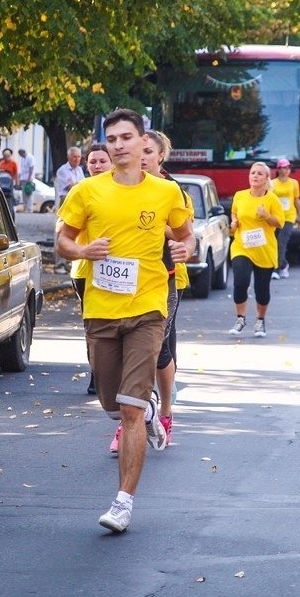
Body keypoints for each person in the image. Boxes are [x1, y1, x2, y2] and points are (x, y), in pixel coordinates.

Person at [56, 108, 193, 533]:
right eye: (111, 138)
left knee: (130, 408)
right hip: (100, 309)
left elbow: (186, 233)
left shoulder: (166, 192)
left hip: (148, 307)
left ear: (141, 142)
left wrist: (185, 248)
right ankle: (149, 411)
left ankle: (123, 501)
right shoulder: (87, 192)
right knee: (112, 403)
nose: (118, 145)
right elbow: (62, 240)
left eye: (126, 138)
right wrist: (83, 251)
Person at [108, 129, 187, 454]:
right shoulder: (117, 188)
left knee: (156, 353)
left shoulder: (171, 191)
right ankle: (136, 413)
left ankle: (160, 412)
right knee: (123, 355)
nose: (142, 157)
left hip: (163, 280)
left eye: (149, 152)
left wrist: (156, 223)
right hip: (121, 284)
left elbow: (184, 234)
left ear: (159, 157)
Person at [69, 142, 113, 395]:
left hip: (120, 269)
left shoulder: (124, 190)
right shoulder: (82, 191)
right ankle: (97, 373)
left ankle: (114, 372)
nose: (97, 166)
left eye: (102, 161)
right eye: (92, 161)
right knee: (94, 326)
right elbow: (63, 230)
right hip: (86, 270)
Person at [228, 161, 283, 337]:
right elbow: (234, 213)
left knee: (262, 289)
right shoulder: (240, 196)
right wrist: (234, 223)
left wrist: (267, 216)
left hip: (264, 249)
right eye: (253, 173)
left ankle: (260, 321)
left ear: (267, 178)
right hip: (242, 247)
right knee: (240, 281)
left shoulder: (271, 199)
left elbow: (279, 222)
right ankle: (240, 318)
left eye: (260, 173)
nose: (255, 176)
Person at [271, 158, 300, 279]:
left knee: (281, 241)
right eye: (284, 167)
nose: (287, 170)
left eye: (288, 168)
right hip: (276, 217)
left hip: (289, 216)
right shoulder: (272, 183)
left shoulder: (294, 183)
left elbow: (296, 200)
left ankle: (277, 269)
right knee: (274, 242)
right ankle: (284, 264)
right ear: (279, 169)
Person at [17, 148, 36, 213]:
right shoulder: (23, 158)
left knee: (29, 193)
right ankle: (25, 208)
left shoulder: (30, 157)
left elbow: (31, 168)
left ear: (23, 153)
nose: (21, 156)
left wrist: (29, 178)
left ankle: (29, 209)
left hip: (28, 179)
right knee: (24, 194)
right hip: (23, 178)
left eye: (21, 155)